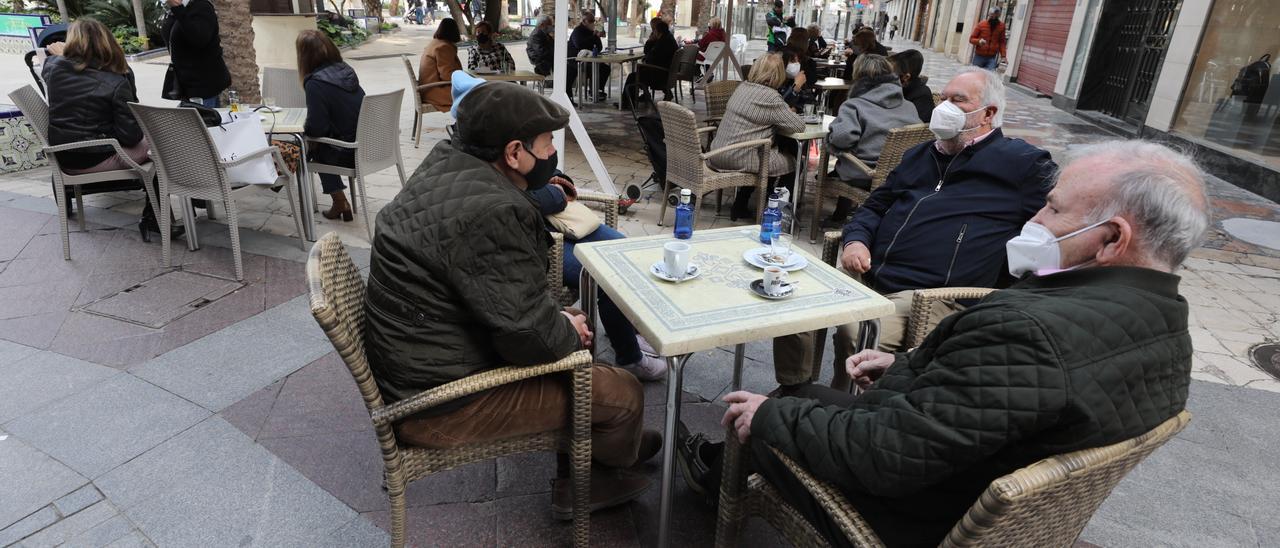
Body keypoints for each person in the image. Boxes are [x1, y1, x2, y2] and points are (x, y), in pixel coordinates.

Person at [693, 139, 1209, 547]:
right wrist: (903, 369)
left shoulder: (1029, 331)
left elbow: (886, 455)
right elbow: (1010, 401)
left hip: (917, 514)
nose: (1033, 221)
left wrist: (764, 417)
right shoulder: (1167, 320)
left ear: (1112, 238)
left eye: (1052, 209)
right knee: (801, 395)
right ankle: (725, 458)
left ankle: (711, 477)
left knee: (771, 413)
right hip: (983, 487)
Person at [365, 74, 662, 519]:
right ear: (513, 153)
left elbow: (493, 291)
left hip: (425, 360)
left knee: (582, 362)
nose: (552, 155)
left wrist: (556, 318)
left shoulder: (448, 163)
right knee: (622, 392)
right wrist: (563, 326)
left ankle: (610, 442)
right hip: (440, 403)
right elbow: (530, 338)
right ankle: (593, 477)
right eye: (546, 144)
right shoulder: (494, 211)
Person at [770, 68, 1055, 391]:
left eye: (957, 100)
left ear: (988, 113)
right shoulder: (921, 154)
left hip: (928, 295)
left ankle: (841, 413)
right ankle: (794, 390)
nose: (943, 107)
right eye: (942, 98)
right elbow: (874, 206)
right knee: (789, 299)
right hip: (868, 274)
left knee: (856, 331)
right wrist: (857, 241)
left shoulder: (1022, 164)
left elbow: (1055, 230)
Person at [42, 18, 181, 242]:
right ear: (108, 43)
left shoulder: (53, 69)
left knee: (153, 144)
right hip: (95, 156)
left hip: (63, 156)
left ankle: (159, 215)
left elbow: (53, 62)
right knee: (161, 147)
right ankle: (156, 218)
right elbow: (131, 136)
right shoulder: (115, 82)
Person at [528, 170, 667, 380]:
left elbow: (557, 173)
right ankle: (630, 358)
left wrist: (557, 185)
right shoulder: (494, 157)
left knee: (629, 254)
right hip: (544, 239)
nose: (549, 148)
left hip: (566, 220)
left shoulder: (531, 144)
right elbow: (528, 199)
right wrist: (554, 192)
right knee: (608, 276)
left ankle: (626, 330)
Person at [822, 54, 921, 225]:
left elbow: (842, 138)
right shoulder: (909, 106)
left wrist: (830, 139)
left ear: (858, 76)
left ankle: (834, 216)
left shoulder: (854, 105)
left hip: (864, 174)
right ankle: (843, 215)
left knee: (844, 159)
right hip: (901, 172)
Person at [707, 53, 805, 221]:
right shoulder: (770, 97)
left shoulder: (743, 87)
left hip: (717, 152)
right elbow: (798, 126)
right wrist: (792, 100)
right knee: (795, 162)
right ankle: (774, 209)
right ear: (778, 75)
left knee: (765, 153)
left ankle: (741, 204)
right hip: (739, 158)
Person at [296, 29, 363, 222]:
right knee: (317, 145)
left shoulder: (315, 83)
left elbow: (317, 128)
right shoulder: (346, 71)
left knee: (311, 148)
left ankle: (338, 201)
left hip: (348, 152)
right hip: (366, 146)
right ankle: (339, 201)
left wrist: (304, 131)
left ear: (304, 56)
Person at [161, 0, 230, 107]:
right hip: (186, 84)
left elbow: (200, 38)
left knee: (205, 122)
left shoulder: (201, 6)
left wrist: (178, 8)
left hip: (203, 85)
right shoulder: (176, 9)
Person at [624, 17, 678, 104]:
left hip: (660, 76)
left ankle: (627, 102)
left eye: (654, 29)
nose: (653, 31)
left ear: (657, 30)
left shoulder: (663, 42)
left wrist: (649, 41)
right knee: (641, 70)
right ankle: (643, 95)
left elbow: (651, 57)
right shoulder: (668, 38)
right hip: (667, 73)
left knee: (632, 76)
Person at [418, 18, 462, 111]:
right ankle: (466, 125)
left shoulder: (435, 43)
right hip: (435, 92)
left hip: (428, 90)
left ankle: (462, 124)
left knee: (475, 93)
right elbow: (447, 76)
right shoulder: (443, 47)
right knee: (476, 96)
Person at [568, 10, 610, 101]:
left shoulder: (592, 32)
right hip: (576, 60)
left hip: (590, 59)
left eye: (593, 21)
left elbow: (599, 47)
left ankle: (598, 90)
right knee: (593, 68)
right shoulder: (577, 31)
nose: (593, 23)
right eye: (590, 21)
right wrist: (593, 37)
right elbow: (579, 45)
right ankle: (592, 91)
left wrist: (596, 36)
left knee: (605, 68)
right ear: (584, 22)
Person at [889, 49, 933, 122]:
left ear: (906, 77)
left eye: (891, 73)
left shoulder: (921, 95)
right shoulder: (900, 88)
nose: (887, 75)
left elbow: (917, 125)